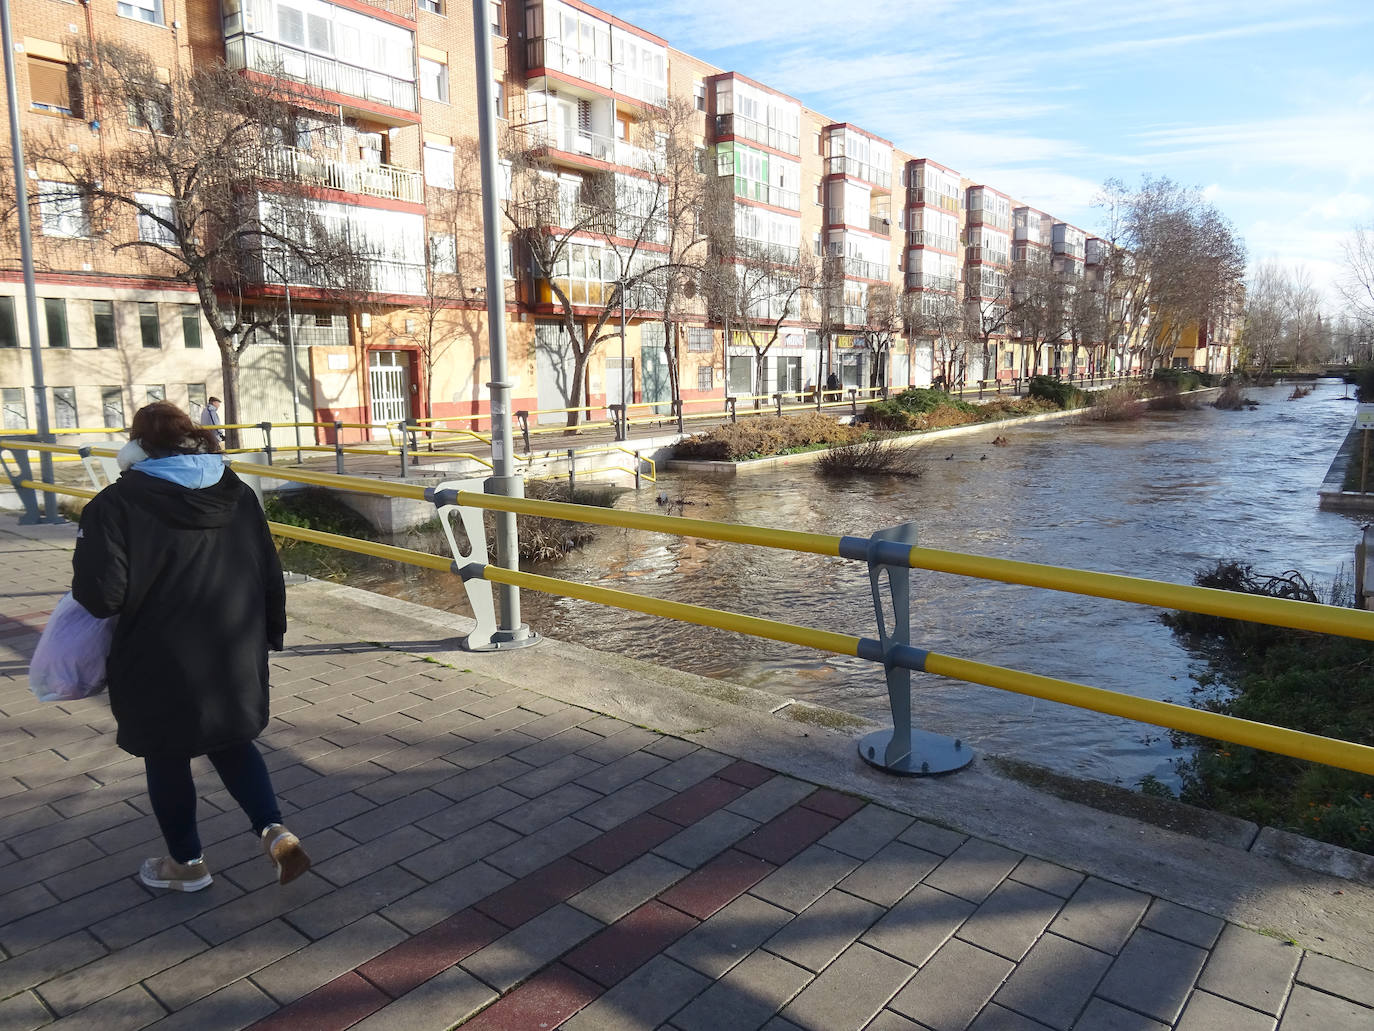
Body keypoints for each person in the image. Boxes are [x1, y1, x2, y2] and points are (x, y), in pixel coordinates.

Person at [72, 401, 308, 892]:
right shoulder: (238, 493)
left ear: (137, 448)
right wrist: (270, 635)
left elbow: (103, 596)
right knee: (230, 739)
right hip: (232, 647)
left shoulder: (115, 505)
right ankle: (275, 831)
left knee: (166, 753)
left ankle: (188, 865)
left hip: (157, 654)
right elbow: (269, 571)